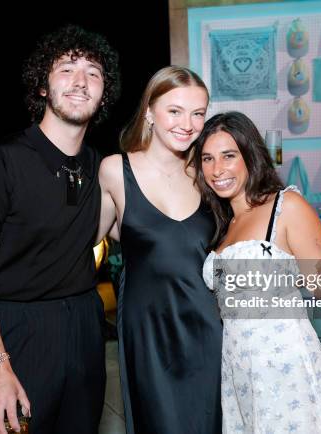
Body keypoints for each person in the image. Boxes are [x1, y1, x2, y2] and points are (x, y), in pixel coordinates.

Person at [0, 25, 120, 434]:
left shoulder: (99, 167)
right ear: (42, 87)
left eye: (93, 72)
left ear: (104, 93)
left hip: (84, 323)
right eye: (66, 68)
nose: (81, 81)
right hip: (18, 331)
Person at [194, 111, 321, 434]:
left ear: (250, 156)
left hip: (286, 367)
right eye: (208, 158)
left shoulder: (286, 206)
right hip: (238, 368)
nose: (217, 169)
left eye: (229, 156)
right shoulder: (224, 223)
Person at [97, 66, 222, 434]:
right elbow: (85, 240)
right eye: (175, 111)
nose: (188, 124)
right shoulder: (114, 171)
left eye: (198, 113)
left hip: (208, 325)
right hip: (148, 329)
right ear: (150, 112)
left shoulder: (207, 172)